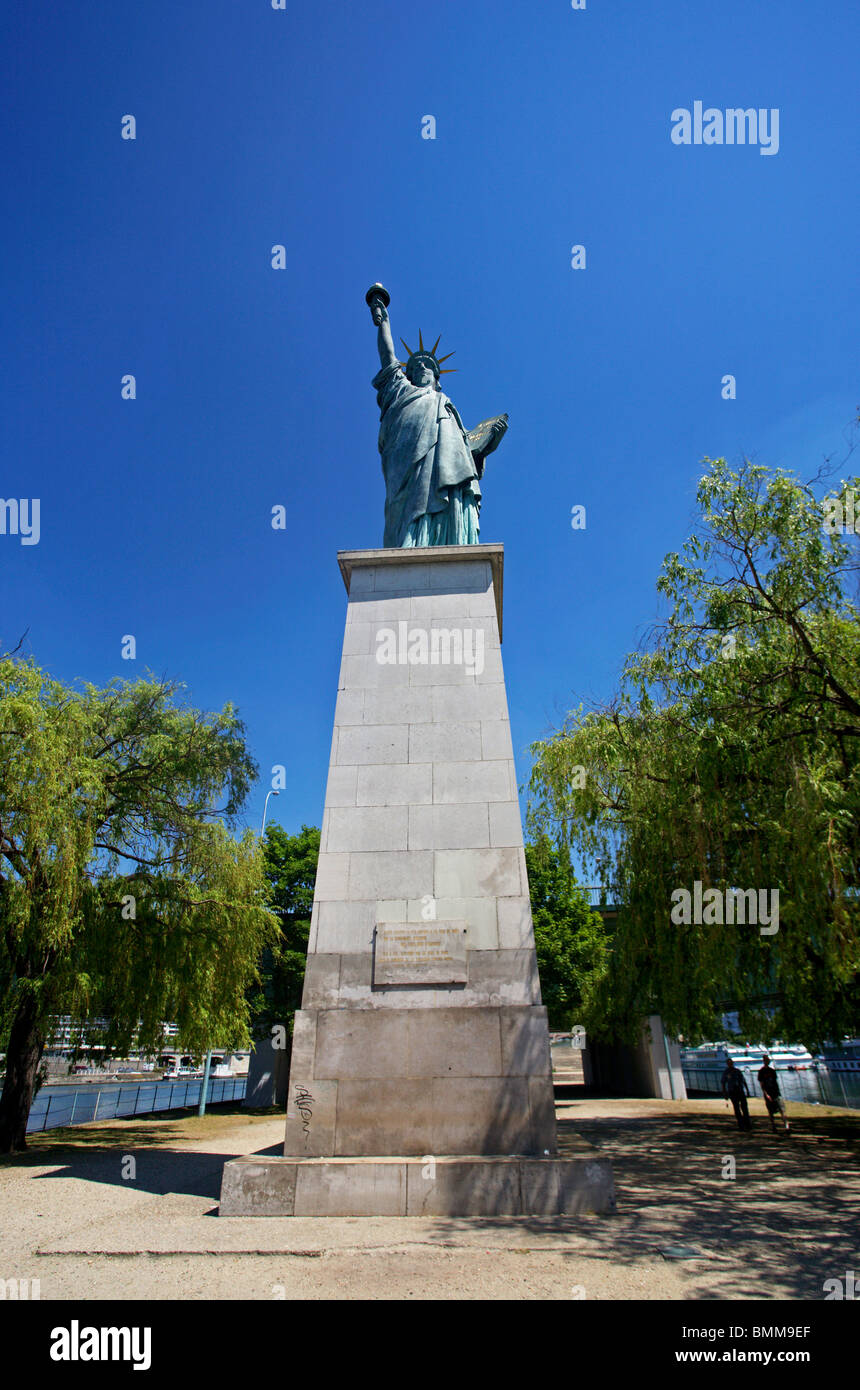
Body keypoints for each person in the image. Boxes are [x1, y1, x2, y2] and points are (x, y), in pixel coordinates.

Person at [367, 287, 507, 548]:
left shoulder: (446, 406)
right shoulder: (400, 390)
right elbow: (388, 358)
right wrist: (384, 322)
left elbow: (465, 455)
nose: (421, 367)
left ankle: (446, 543)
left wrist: (487, 443)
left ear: (437, 379)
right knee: (404, 508)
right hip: (406, 462)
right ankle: (409, 543)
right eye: (415, 366)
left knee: (451, 490)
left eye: (427, 366)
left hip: (442, 471)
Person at [757, 1054, 790, 1133]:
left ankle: (787, 1126)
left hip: (776, 1093)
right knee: (771, 1111)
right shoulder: (761, 1072)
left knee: (782, 1110)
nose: (767, 1061)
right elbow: (761, 1084)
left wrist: (778, 1092)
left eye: (768, 1060)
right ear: (763, 1061)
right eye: (765, 1060)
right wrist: (766, 1094)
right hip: (768, 1094)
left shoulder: (772, 1071)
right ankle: (773, 1126)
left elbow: (775, 1082)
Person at [721, 1057, 752, 1130]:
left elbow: (743, 1081)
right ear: (727, 1064)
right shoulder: (726, 1072)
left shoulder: (737, 1071)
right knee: (737, 1108)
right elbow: (723, 1083)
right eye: (729, 1063)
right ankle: (741, 1124)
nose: (730, 1064)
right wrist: (725, 1093)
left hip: (740, 1090)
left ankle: (747, 1124)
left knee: (744, 1107)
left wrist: (747, 1090)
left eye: (731, 1063)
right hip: (732, 1091)